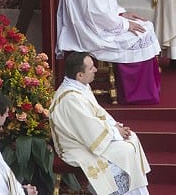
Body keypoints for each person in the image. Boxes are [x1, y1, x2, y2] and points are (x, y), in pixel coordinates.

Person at [50, 52, 151, 195]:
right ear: (80, 75)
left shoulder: (80, 86)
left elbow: (97, 113)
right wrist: (115, 133)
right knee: (124, 150)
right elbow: (89, 129)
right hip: (75, 145)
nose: (96, 70)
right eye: (91, 68)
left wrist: (115, 127)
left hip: (87, 137)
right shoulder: (71, 99)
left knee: (131, 139)